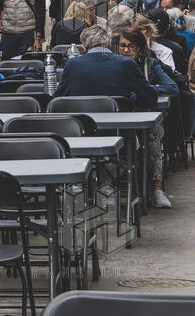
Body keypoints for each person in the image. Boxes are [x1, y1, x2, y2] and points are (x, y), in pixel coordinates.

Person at [115, 27, 179, 209]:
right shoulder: (114, 65)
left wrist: (146, 89)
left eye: (131, 46)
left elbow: (172, 88)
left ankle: (157, 188)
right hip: (119, 118)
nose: (126, 50)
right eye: (122, 46)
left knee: (153, 135)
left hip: (146, 116)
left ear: (141, 49)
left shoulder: (150, 64)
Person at [54, 24, 158, 109]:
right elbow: (150, 98)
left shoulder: (72, 65)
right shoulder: (127, 63)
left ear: (84, 47)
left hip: (82, 125)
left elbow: (57, 99)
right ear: (109, 43)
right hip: (120, 124)